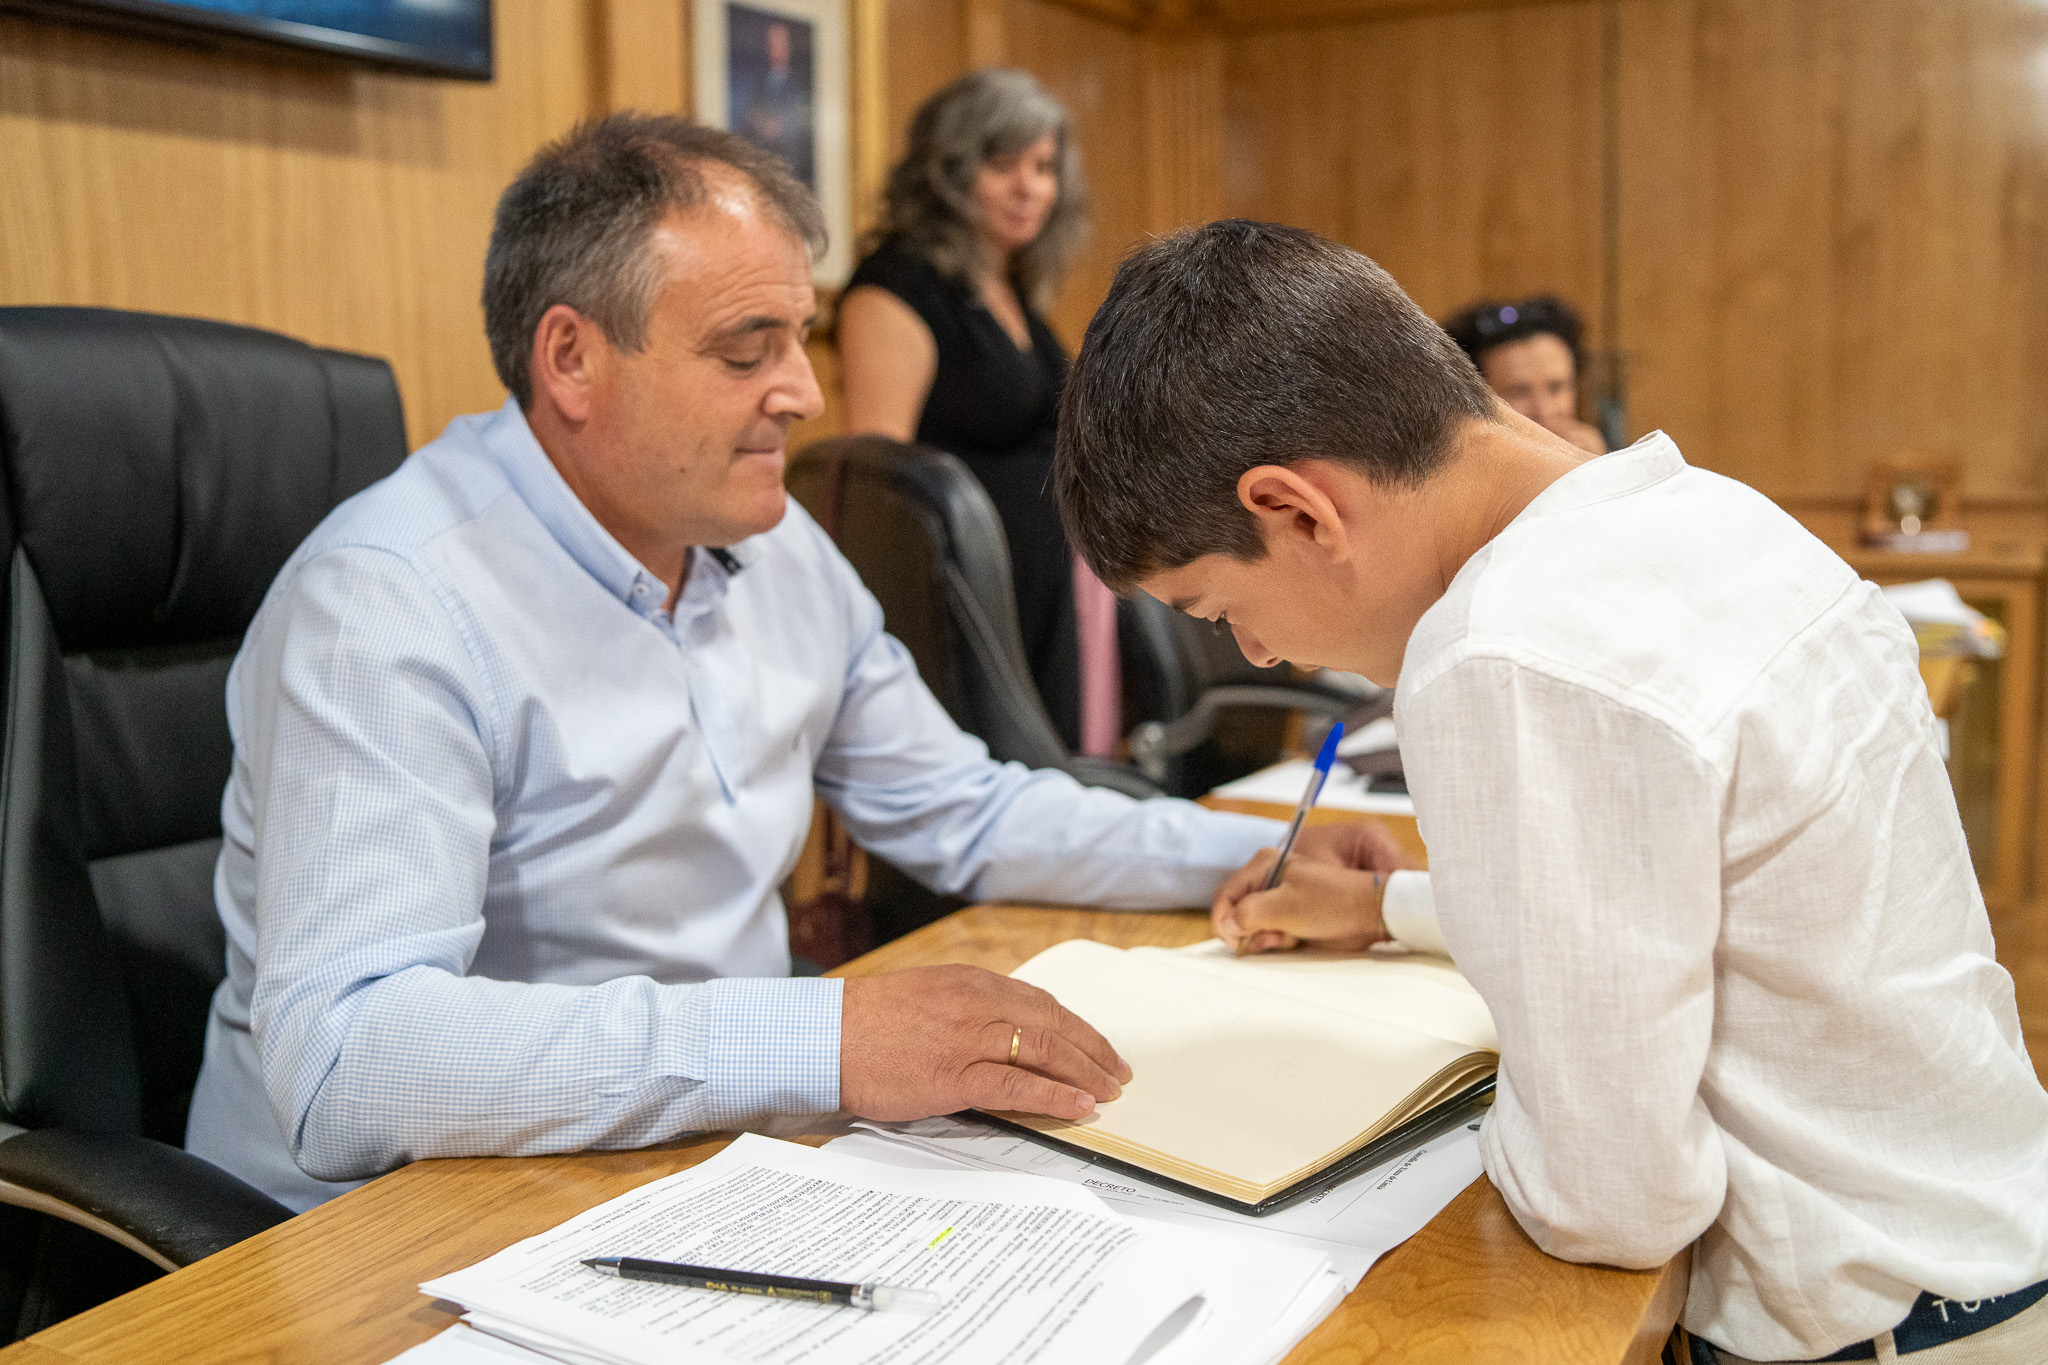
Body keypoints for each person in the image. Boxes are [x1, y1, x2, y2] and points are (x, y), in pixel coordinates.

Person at [184, 119, 1393, 1212]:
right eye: (743, 350)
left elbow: (955, 809)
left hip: (688, 1155)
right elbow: (345, 1062)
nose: (804, 394)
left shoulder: (774, 550)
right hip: (398, 1227)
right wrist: (817, 1039)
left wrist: (1245, 855)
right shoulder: (389, 603)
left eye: (800, 339)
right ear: (570, 361)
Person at [1053, 219, 2048, 1364]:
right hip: (1986, 1262)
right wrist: (1394, 910)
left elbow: (1610, 1201)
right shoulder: (1707, 514)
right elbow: (1712, 893)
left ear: (1298, 509)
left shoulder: (1501, 649)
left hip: (1865, 1334)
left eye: (1218, 609)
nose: (1262, 654)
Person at [837, 68, 1118, 757]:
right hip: (967, 616)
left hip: (1046, 601)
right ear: (949, 171)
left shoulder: (1011, 286)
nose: (1029, 187)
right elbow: (881, 490)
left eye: (1044, 167)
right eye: (1003, 164)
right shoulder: (895, 288)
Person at [1443, 295, 1607, 454]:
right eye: (1519, 392)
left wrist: (1600, 471)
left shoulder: (1597, 464)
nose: (1544, 411)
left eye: (1556, 388)